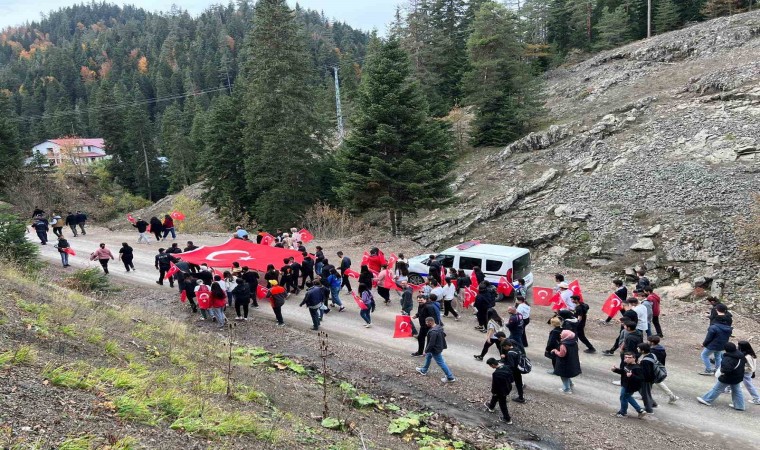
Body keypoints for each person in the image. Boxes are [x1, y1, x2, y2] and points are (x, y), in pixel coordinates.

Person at [697, 342, 746, 411]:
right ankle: (740, 406)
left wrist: (721, 372)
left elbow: (726, 369)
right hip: (738, 376)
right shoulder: (740, 355)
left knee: (717, 389)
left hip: (729, 377)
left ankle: (707, 400)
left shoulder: (729, 358)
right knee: (737, 391)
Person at [415, 317, 456, 383]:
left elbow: (431, 343)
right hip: (438, 347)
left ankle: (450, 377)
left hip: (434, 349)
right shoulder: (438, 327)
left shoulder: (433, 332)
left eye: (426, 322)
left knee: (441, 362)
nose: (426, 324)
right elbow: (443, 335)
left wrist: (426, 351)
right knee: (428, 357)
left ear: (430, 322)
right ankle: (424, 370)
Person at [611, 352, 648, 419]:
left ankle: (623, 413)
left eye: (629, 357)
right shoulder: (627, 365)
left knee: (624, 398)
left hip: (630, 386)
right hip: (625, 384)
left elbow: (641, 379)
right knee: (626, 397)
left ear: (634, 358)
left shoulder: (637, 368)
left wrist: (632, 376)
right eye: (626, 357)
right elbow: (624, 372)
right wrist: (615, 370)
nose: (627, 359)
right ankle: (640, 410)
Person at [700, 306, 733, 375]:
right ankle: (718, 369)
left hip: (713, 344)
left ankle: (708, 369)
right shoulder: (728, 328)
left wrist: (704, 344)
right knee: (717, 356)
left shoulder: (713, 327)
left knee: (704, 355)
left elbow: (708, 338)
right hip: (722, 344)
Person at [647, 335, 678, 403]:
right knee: (651, 382)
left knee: (656, 382)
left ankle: (672, 396)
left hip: (654, 369)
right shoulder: (661, 349)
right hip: (658, 368)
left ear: (652, 342)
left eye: (648, 341)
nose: (647, 342)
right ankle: (645, 395)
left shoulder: (653, 351)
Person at [484, 358, 513, 424]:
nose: (490, 367)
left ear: (493, 365)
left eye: (490, 365)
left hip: (501, 391)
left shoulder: (496, 374)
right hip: (508, 387)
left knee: (502, 403)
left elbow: (495, 385)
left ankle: (507, 419)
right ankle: (491, 407)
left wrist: (493, 392)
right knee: (495, 397)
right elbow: (512, 379)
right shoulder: (506, 367)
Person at [551, 330, 581, 394]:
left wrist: (555, 351)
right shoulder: (575, 342)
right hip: (572, 361)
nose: (560, 335)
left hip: (564, 363)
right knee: (567, 374)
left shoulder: (563, 345)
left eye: (562, 334)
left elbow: (562, 354)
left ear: (566, 336)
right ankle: (570, 384)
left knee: (563, 375)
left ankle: (567, 389)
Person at [737, 341, 760, 405]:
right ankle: (728, 388)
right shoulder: (751, 354)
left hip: (746, 373)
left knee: (749, 385)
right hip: (747, 372)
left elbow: (751, 367)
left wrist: (741, 368)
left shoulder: (747, 357)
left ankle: (757, 399)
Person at [637, 343, 657, 414]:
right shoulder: (652, 355)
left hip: (646, 380)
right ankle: (652, 403)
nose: (637, 349)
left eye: (639, 348)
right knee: (646, 392)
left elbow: (646, 372)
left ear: (642, 351)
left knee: (645, 394)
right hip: (651, 378)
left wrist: (640, 365)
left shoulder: (646, 361)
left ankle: (649, 409)